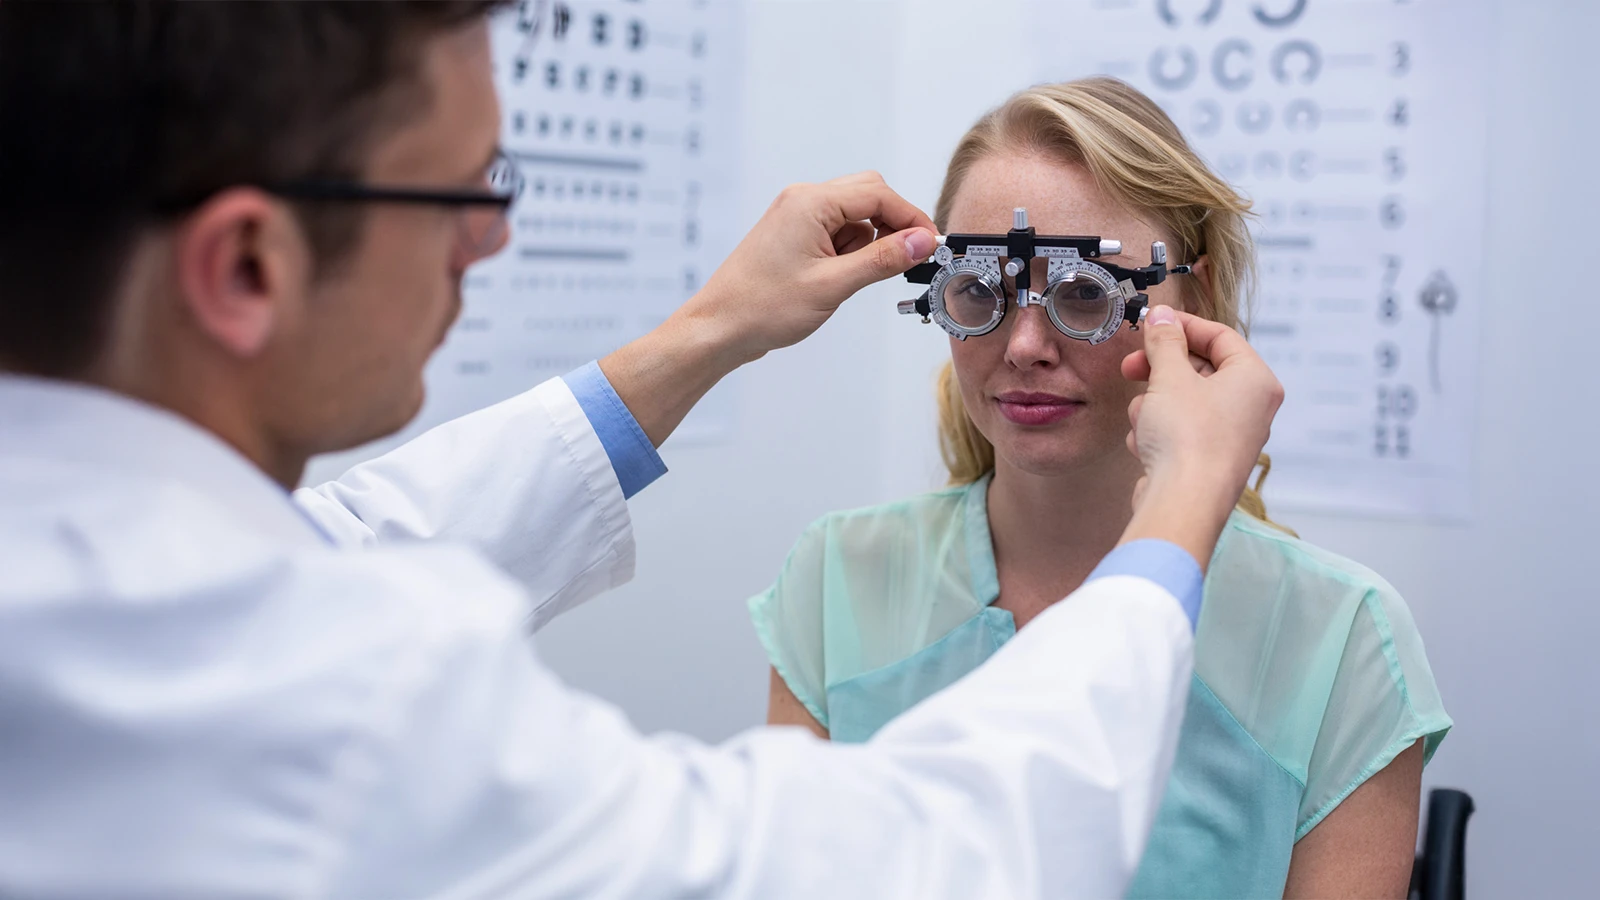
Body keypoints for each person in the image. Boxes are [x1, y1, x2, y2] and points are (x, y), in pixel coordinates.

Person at [0, 5, 1281, 898]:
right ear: (247, 266)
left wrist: (713, 331)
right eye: (463, 193)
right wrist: (1177, 513)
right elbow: (918, 862)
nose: (486, 245)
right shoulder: (323, 700)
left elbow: (339, 546)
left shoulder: (93, 569)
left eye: (1077, 289)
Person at [751, 78, 1452, 899]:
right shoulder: (837, 577)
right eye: (979, 289)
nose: (1024, 345)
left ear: (1195, 289)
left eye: (1086, 294)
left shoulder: (1340, 641)